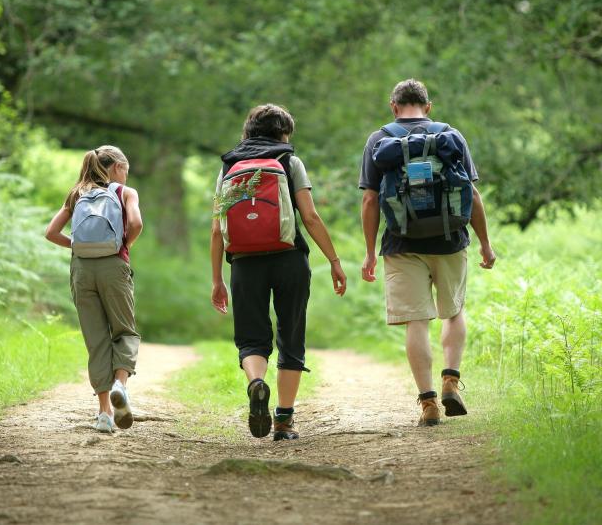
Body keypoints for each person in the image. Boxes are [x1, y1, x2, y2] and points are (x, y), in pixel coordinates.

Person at [359, 79, 496, 427]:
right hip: (450, 240)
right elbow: (472, 194)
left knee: (416, 321)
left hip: (402, 244)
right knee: (453, 311)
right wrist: (485, 243)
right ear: (428, 106)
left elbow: (370, 199)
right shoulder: (450, 136)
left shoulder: (380, 140)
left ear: (393, 106)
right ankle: (450, 379)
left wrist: (370, 252)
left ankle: (429, 403)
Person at [211, 104, 347, 441]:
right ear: (283, 133)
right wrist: (333, 260)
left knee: (251, 338)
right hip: (289, 259)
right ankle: (284, 421)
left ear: (249, 130)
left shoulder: (230, 165)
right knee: (291, 335)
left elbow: (217, 229)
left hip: (243, 262)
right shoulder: (290, 162)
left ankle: (257, 383)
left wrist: (217, 279)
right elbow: (311, 217)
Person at [45, 145, 143, 433]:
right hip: (113, 266)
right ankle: (120, 386)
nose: (126, 174)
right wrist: (124, 244)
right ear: (116, 168)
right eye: (125, 169)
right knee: (125, 331)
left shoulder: (77, 194)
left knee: (96, 340)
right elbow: (136, 222)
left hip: (82, 270)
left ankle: (104, 415)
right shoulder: (125, 192)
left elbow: (51, 233)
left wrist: (76, 245)